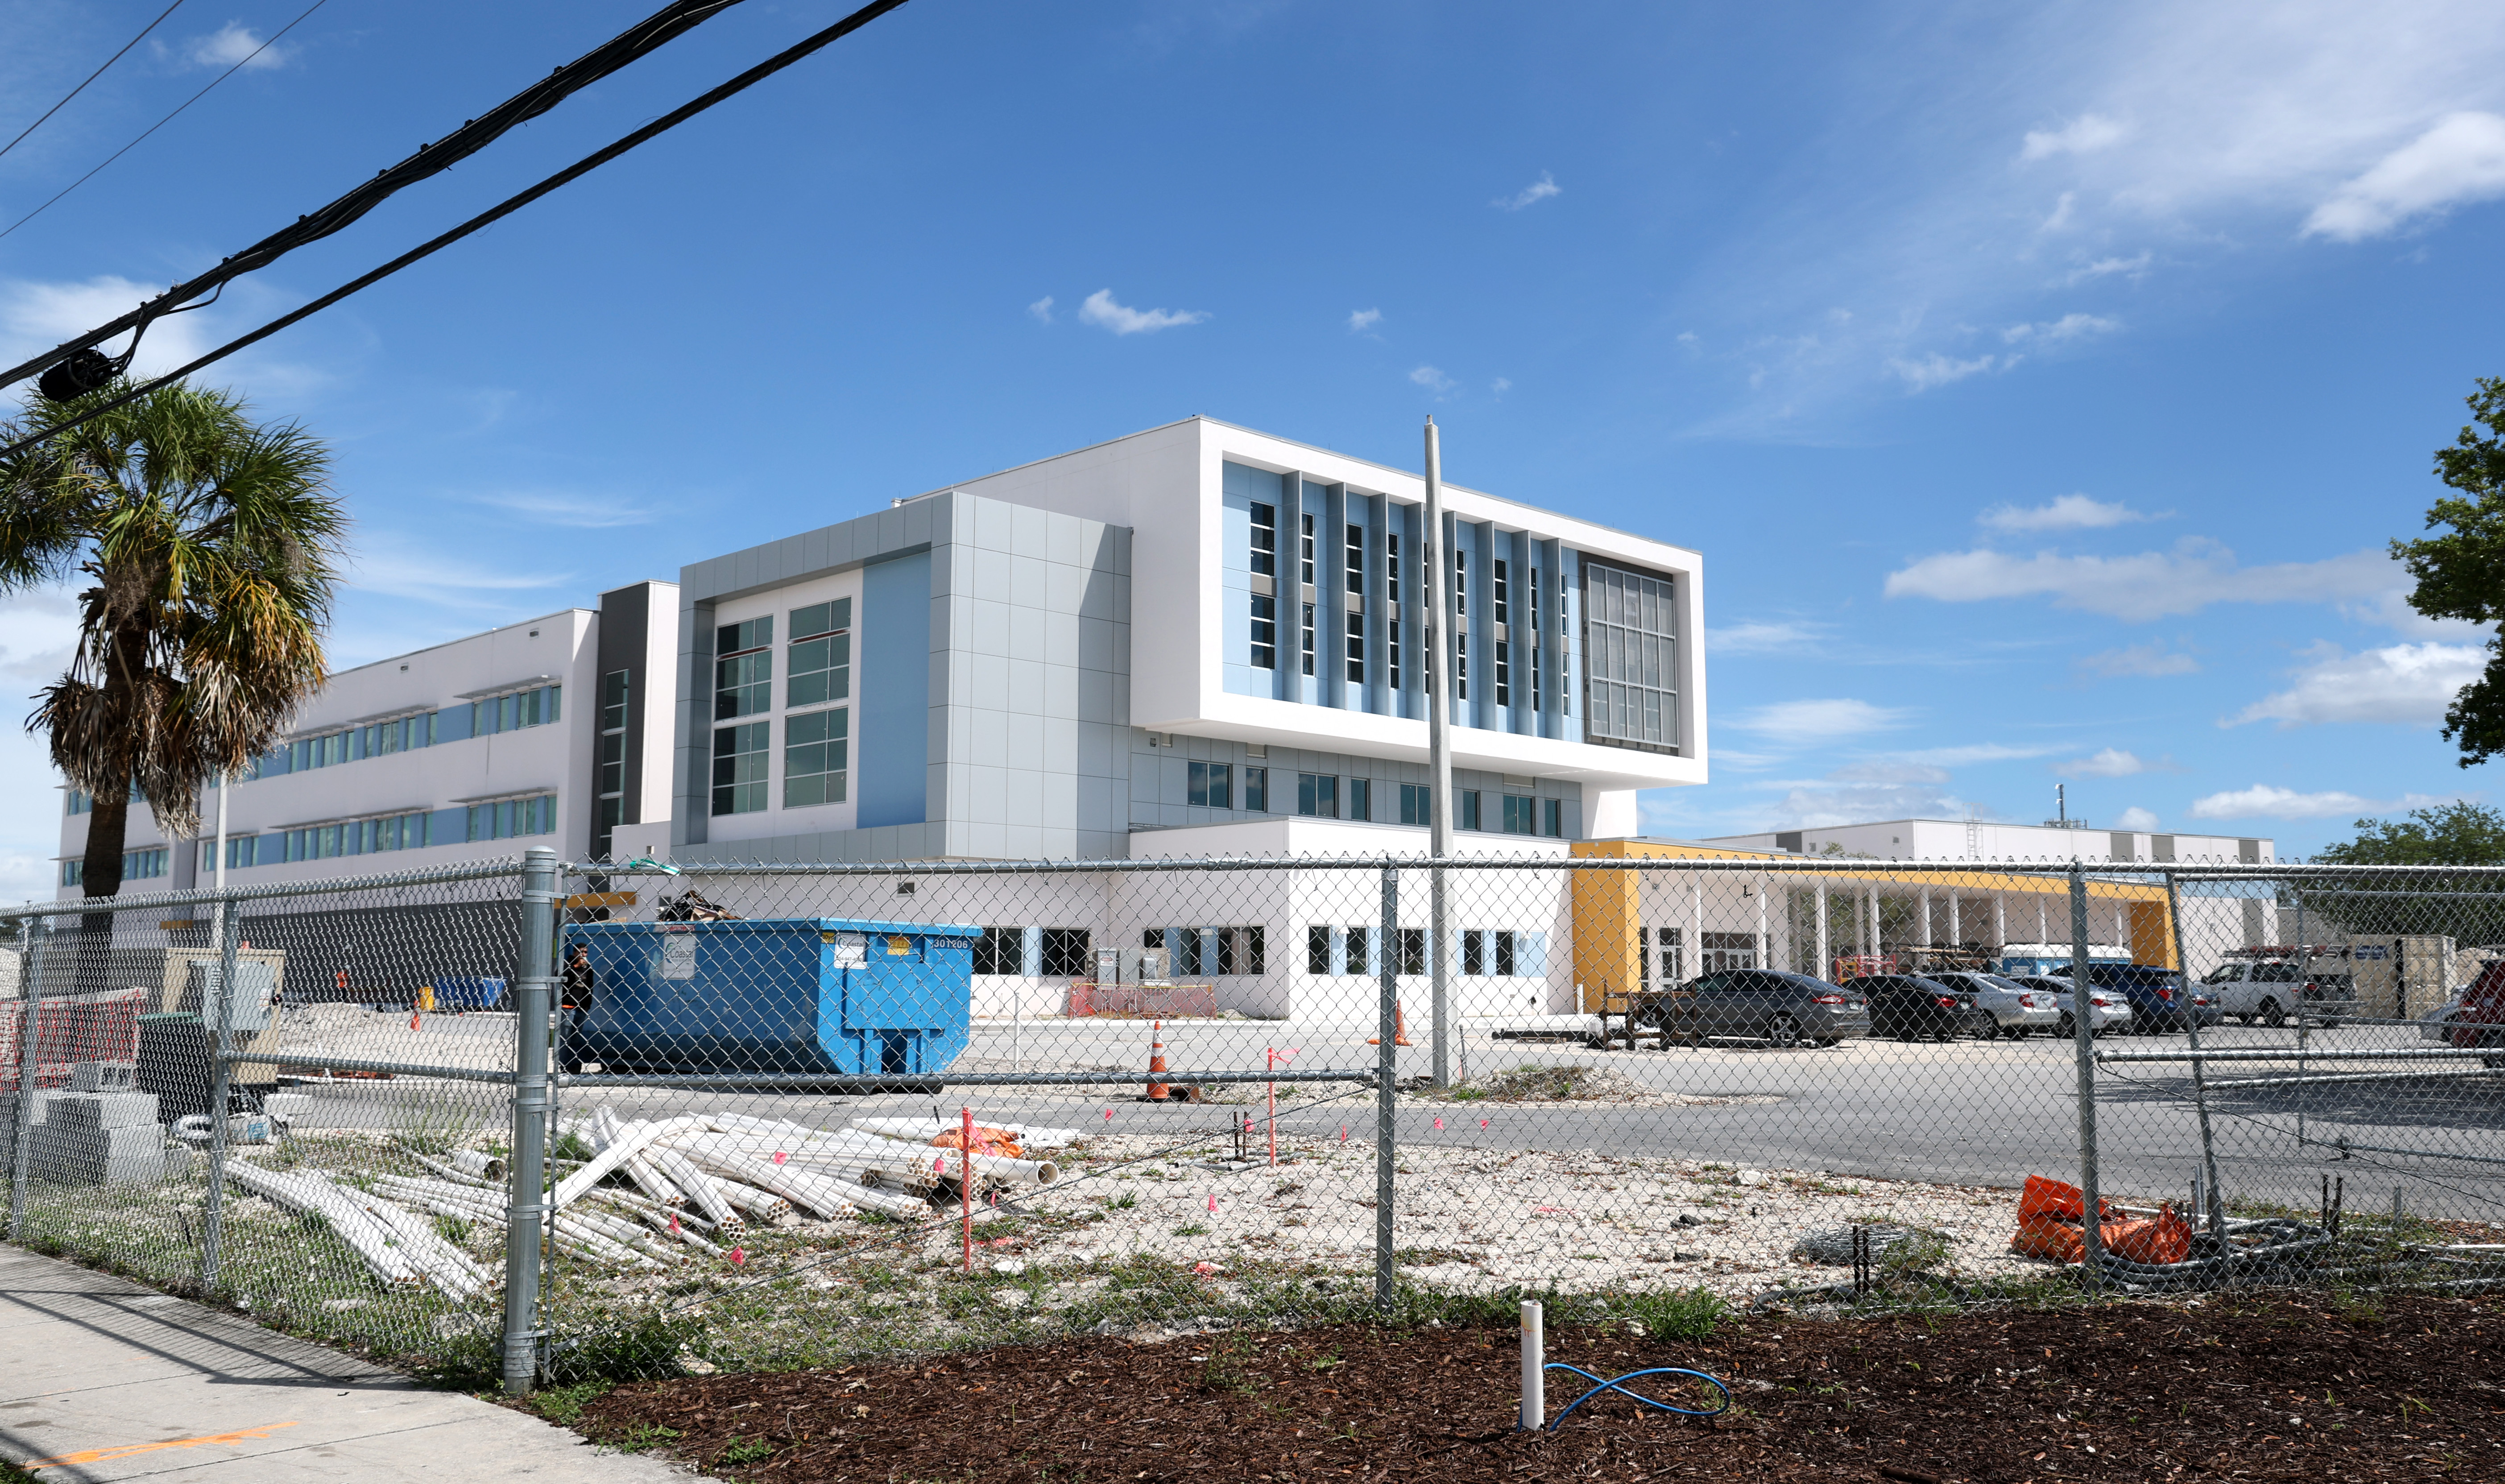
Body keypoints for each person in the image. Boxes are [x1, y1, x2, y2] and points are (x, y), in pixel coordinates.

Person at [560, 943, 596, 1074]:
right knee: (565, 1038)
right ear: (575, 953)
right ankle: (563, 1066)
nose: (584, 955)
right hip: (568, 1007)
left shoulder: (588, 968)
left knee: (576, 1039)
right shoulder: (566, 964)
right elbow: (562, 978)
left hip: (582, 1008)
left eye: (586, 953)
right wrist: (576, 966)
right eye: (582, 952)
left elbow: (590, 986)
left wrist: (588, 1004)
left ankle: (574, 1066)